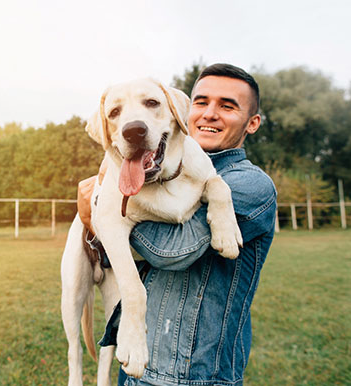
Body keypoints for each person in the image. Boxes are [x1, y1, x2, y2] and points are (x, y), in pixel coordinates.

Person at [77, 63, 277, 386]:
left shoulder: (251, 186)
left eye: (227, 106)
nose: (209, 114)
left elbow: (176, 251)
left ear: (252, 123)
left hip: (195, 377)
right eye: (201, 102)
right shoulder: (152, 173)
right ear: (183, 110)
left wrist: (101, 216)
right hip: (137, 365)